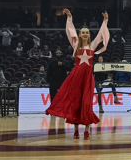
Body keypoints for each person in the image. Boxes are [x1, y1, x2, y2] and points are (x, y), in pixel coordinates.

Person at [46, 9, 109, 140]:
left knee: (87, 103)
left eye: (87, 32)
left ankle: (87, 130)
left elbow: (100, 35)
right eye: (83, 33)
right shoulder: (75, 46)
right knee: (75, 102)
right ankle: (75, 131)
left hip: (87, 78)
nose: (85, 34)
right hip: (76, 77)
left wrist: (105, 21)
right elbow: (70, 32)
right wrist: (69, 17)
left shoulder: (92, 46)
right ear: (80, 35)